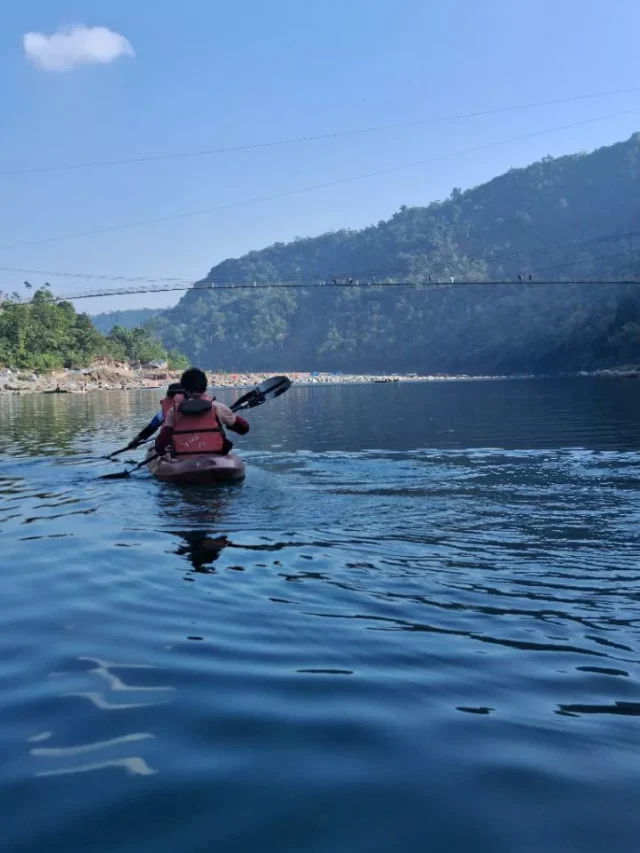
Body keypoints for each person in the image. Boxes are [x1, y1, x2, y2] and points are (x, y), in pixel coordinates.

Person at [154, 367, 249, 457]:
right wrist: (229, 425)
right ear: (205, 386)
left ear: (184, 388)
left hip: (184, 459)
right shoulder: (218, 407)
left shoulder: (174, 411)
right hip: (215, 458)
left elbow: (161, 443)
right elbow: (244, 428)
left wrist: (162, 451)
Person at [126, 382, 183, 449]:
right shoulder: (193, 407)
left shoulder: (164, 411)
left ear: (168, 395)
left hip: (170, 444)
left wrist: (136, 440)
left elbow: (151, 427)